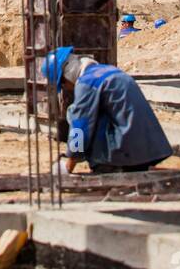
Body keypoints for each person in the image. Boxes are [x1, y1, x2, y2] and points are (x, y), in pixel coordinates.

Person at [41, 45, 171, 175]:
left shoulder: (87, 83)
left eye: (63, 83)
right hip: (153, 148)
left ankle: (106, 165)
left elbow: (80, 126)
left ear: (66, 73)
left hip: (126, 152)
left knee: (76, 115)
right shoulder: (112, 71)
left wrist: (69, 164)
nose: (66, 87)